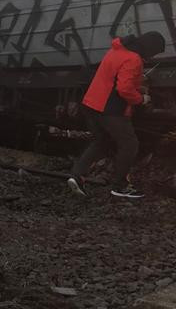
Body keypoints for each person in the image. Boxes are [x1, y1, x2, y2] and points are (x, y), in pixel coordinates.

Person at [67, 31, 166, 200]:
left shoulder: (116, 51)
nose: (153, 56)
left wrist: (137, 86)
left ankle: (76, 176)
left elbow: (113, 79)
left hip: (91, 105)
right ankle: (120, 186)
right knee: (129, 144)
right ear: (150, 48)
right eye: (155, 52)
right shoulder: (134, 59)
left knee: (101, 141)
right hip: (111, 109)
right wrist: (141, 99)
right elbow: (123, 89)